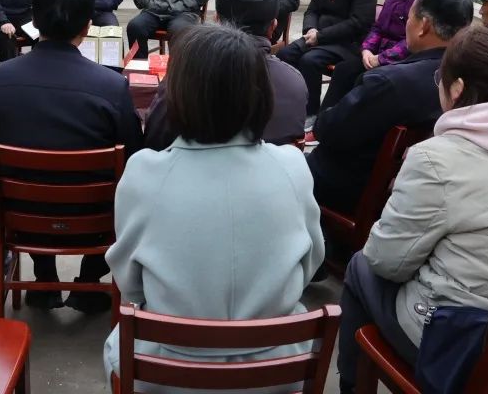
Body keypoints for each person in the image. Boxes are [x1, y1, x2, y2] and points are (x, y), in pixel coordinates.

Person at [336, 26, 488, 393]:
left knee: (361, 265)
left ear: (456, 89)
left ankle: (350, 384)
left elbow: (387, 261)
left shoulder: (435, 158)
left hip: (472, 346)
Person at [103, 25, 325, 392]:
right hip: (277, 370)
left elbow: (131, 285)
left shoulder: (144, 172)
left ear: (176, 93)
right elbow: (310, 263)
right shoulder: (292, 166)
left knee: (117, 344)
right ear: (260, 94)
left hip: (165, 373)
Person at [0, 0, 143, 312]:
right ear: (87, 26)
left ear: (35, 21)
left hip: (19, 216)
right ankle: (88, 282)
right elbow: (134, 157)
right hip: (95, 220)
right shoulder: (110, 86)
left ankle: (44, 279)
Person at [308, 0, 473, 214]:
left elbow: (328, 131)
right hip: (415, 189)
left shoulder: (388, 82)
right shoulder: (471, 76)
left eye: (409, 18)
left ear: (424, 26)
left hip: (351, 188)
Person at [144, 0, 308, 149]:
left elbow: (155, 138)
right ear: (273, 26)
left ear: (217, 19)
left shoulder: (187, 74)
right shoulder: (294, 81)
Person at [277, 0, 378, 129]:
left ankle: (311, 111)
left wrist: (321, 36)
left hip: (347, 43)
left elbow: (359, 23)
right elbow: (311, 10)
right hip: (319, 35)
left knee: (310, 60)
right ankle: (292, 101)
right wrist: (311, 29)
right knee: (284, 54)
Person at [322, 0, 430, 111]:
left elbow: (412, 41)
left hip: (402, 60)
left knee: (364, 80)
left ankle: (347, 120)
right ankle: (324, 117)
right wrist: (366, 50)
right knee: (344, 70)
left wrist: (381, 59)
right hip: (376, 54)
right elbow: (378, 28)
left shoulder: (424, 2)